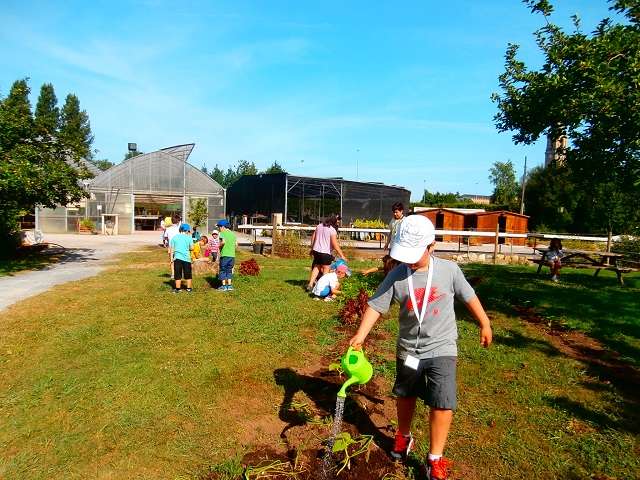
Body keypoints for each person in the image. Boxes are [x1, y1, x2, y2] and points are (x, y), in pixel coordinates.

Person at [348, 215, 492, 480]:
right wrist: (360, 335)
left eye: (415, 254)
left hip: (442, 348)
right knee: (405, 395)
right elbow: (376, 306)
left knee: (442, 401)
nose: (410, 260)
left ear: (431, 246)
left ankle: (435, 457)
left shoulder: (449, 271)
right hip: (409, 351)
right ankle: (403, 437)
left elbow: (469, 296)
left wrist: (484, 323)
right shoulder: (396, 275)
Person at [306, 215, 347, 291]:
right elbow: (335, 244)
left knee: (316, 267)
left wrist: (312, 248)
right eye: (337, 222)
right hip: (325, 253)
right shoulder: (332, 230)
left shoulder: (319, 226)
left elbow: (313, 237)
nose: (337, 224)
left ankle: (310, 285)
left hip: (316, 251)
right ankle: (321, 288)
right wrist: (342, 255)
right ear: (333, 221)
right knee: (326, 271)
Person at [170, 223, 194, 293]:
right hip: (187, 258)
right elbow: (192, 248)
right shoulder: (189, 237)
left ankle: (178, 289)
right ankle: (189, 288)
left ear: (180, 229)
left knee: (178, 274)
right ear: (187, 231)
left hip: (177, 258)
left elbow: (172, 249)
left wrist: (171, 258)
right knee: (188, 274)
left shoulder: (175, 237)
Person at [217, 219, 237, 291]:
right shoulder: (233, 234)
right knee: (229, 270)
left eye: (219, 227)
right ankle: (229, 285)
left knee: (222, 270)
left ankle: (223, 286)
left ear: (223, 227)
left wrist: (219, 246)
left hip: (224, 255)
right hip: (232, 255)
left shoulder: (222, 233)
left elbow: (223, 242)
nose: (218, 229)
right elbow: (236, 244)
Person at [165, 214, 181, 279]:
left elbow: (165, 238)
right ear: (178, 221)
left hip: (171, 247)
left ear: (171, 221)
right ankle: (178, 273)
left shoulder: (168, 229)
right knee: (178, 260)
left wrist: (166, 243)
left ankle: (173, 274)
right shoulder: (179, 229)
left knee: (172, 261)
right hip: (178, 246)